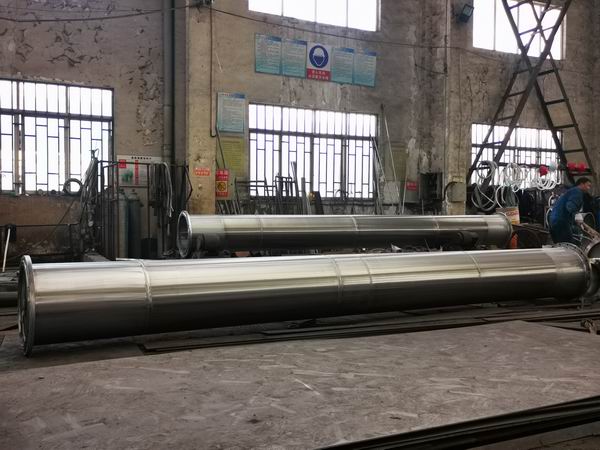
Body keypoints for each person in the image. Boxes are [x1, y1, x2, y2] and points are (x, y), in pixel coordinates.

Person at [549, 177, 593, 244]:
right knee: (567, 245)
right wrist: (577, 215)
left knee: (560, 244)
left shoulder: (572, 191)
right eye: (588, 185)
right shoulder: (577, 192)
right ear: (581, 184)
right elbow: (570, 206)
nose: (589, 188)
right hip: (561, 222)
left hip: (555, 220)